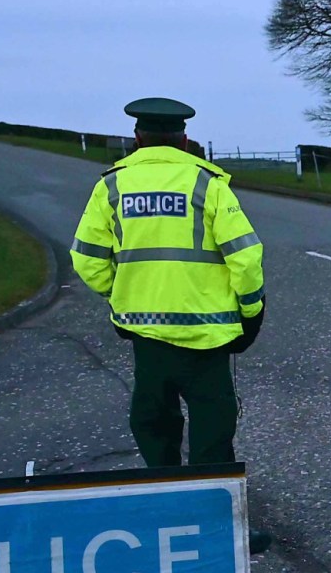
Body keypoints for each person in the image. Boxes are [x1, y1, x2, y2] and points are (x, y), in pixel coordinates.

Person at [71, 99, 270, 546]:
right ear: (184, 140)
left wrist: (120, 297)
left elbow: (86, 259)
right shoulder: (207, 183)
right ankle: (218, 526)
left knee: (154, 424)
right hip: (206, 336)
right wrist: (251, 310)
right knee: (212, 428)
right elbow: (245, 256)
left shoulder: (113, 186)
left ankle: (168, 517)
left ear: (137, 139)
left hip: (146, 333)